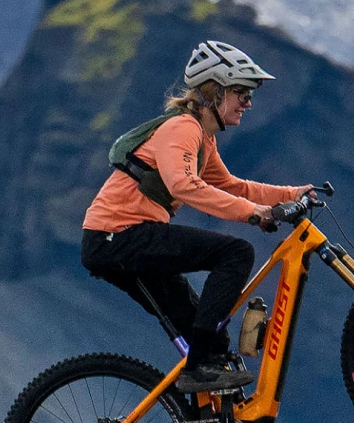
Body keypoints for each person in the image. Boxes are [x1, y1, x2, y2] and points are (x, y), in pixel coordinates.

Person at [81, 39, 314, 398]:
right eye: (242, 93)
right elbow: (184, 185)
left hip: (126, 237)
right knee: (236, 253)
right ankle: (199, 370)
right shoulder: (183, 128)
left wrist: (292, 194)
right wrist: (254, 215)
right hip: (118, 236)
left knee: (209, 334)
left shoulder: (203, 137)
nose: (248, 103)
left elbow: (234, 186)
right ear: (215, 91)